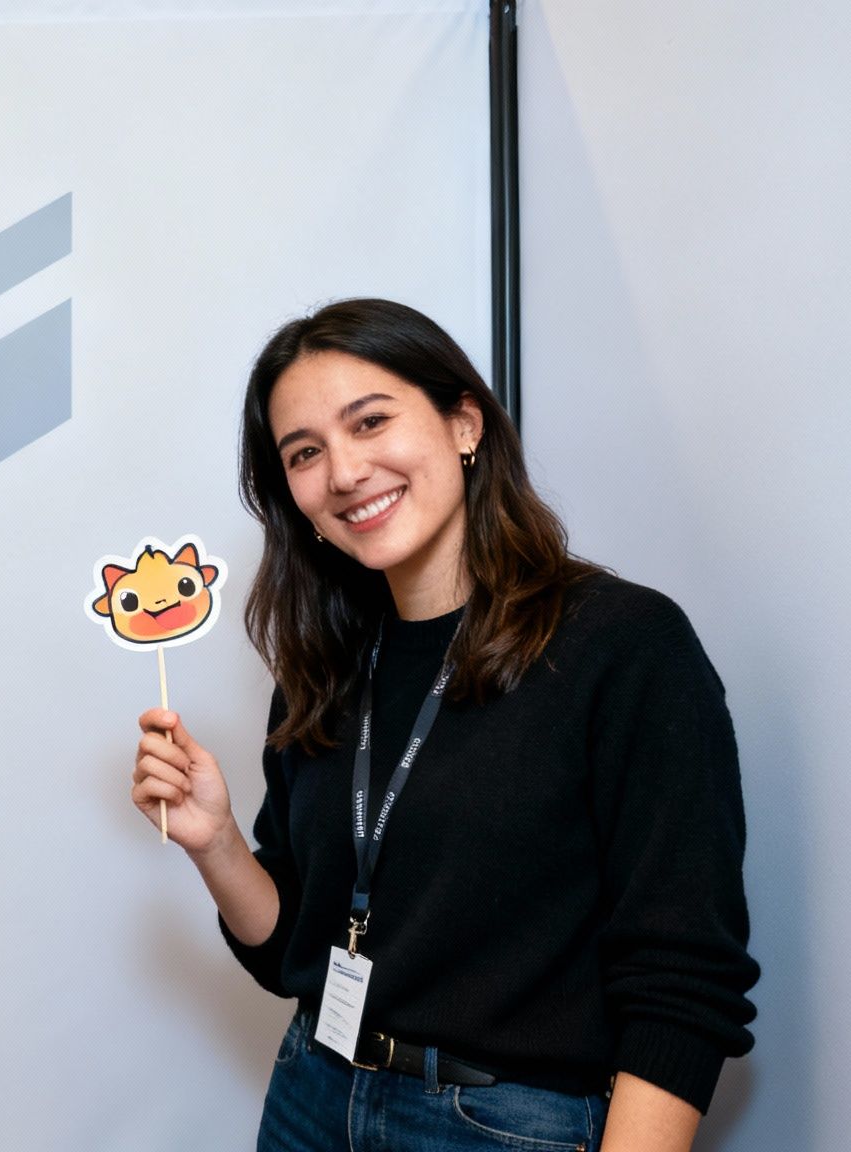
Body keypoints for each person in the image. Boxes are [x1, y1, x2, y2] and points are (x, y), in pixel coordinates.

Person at [130, 299, 757, 1152]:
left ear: (465, 425)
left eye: (371, 422)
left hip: (502, 1125)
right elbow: (288, 956)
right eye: (305, 454)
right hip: (312, 1099)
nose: (344, 472)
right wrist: (216, 843)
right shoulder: (327, 668)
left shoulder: (622, 646)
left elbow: (686, 980)